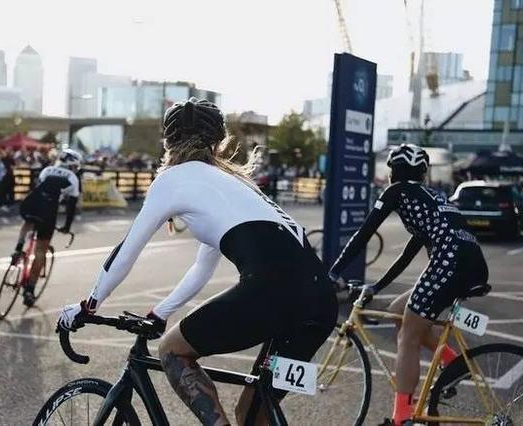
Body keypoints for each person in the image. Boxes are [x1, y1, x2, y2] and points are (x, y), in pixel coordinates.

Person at [57, 98, 338, 426]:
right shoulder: (234, 183)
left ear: (167, 142)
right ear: (219, 142)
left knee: (172, 350)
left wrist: (88, 305)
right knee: (252, 413)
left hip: (273, 291)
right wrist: (160, 312)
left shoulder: (174, 179)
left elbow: (126, 251)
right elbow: (203, 266)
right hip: (320, 301)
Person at [328, 144, 489, 426]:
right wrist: (377, 287)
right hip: (471, 263)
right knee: (398, 310)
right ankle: (454, 364)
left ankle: (402, 417)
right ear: (423, 173)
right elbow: (407, 255)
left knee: (408, 336)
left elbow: (363, 234)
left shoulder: (396, 191)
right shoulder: (432, 197)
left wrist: (332, 273)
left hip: (449, 262)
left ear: (393, 171)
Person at [11, 148, 82, 307]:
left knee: (29, 221)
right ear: (72, 164)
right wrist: (66, 226)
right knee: (40, 252)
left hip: (31, 203)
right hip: (48, 212)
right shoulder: (73, 178)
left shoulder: (47, 170)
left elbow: (38, 188)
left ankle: (18, 248)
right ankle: (29, 290)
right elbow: (71, 207)